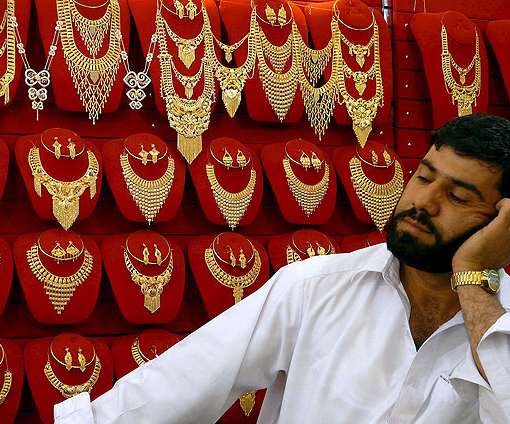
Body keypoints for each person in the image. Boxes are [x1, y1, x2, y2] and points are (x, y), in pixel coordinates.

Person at [54, 114, 510, 423]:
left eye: (458, 197)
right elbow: (174, 387)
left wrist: (474, 277)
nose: (423, 202)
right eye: (424, 176)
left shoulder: (500, 325)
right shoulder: (316, 289)